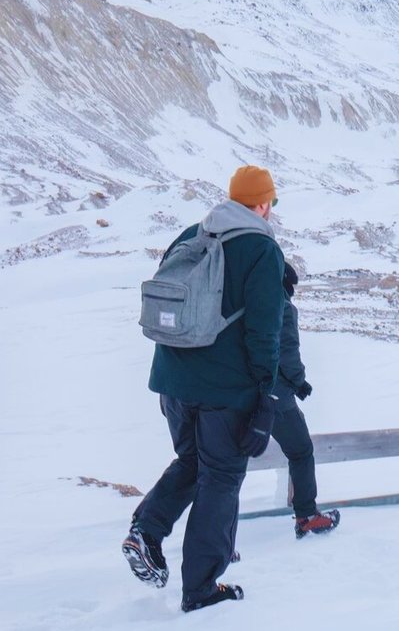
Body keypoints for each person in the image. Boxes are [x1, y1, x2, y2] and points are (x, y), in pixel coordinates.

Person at [122, 166, 285, 613]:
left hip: (172, 381)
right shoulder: (261, 248)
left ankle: (147, 531)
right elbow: (264, 333)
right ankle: (201, 587)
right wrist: (265, 397)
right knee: (221, 478)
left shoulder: (193, 233)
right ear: (264, 204)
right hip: (225, 391)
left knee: (193, 461)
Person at [272, 265, 339, 538]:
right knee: (300, 450)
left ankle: (217, 534)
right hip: (275, 396)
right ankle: (306, 516)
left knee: (228, 463)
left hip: (238, 392)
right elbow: (287, 353)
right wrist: (299, 382)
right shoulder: (282, 308)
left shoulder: (246, 299)